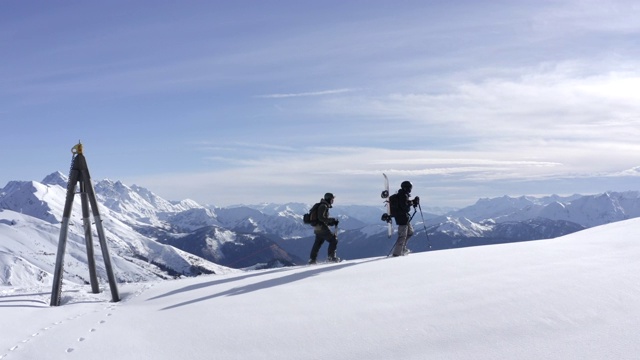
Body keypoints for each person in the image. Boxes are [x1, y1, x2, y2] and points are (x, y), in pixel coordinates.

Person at [308, 193, 340, 264]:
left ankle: (312, 260)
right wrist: (332, 220)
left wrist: (330, 222)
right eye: (332, 199)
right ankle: (331, 258)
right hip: (322, 228)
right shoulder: (324, 206)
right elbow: (321, 218)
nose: (333, 201)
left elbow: (322, 219)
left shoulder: (322, 205)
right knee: (333, 240)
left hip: (317, 228)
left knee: (317, 243)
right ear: (329, 199)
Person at [392, 181, 419, 257]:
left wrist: (412, 201)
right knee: (402, 236)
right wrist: (413, 202)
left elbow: (405, 204)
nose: (410, 189)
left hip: (403, 218)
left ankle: (402, 249)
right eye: (410, 187)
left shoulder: (403, 195)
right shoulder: (403, 195)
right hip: (402, 218)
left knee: (410, 232)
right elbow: (405, 207)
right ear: (407, 187)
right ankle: (397, 254)